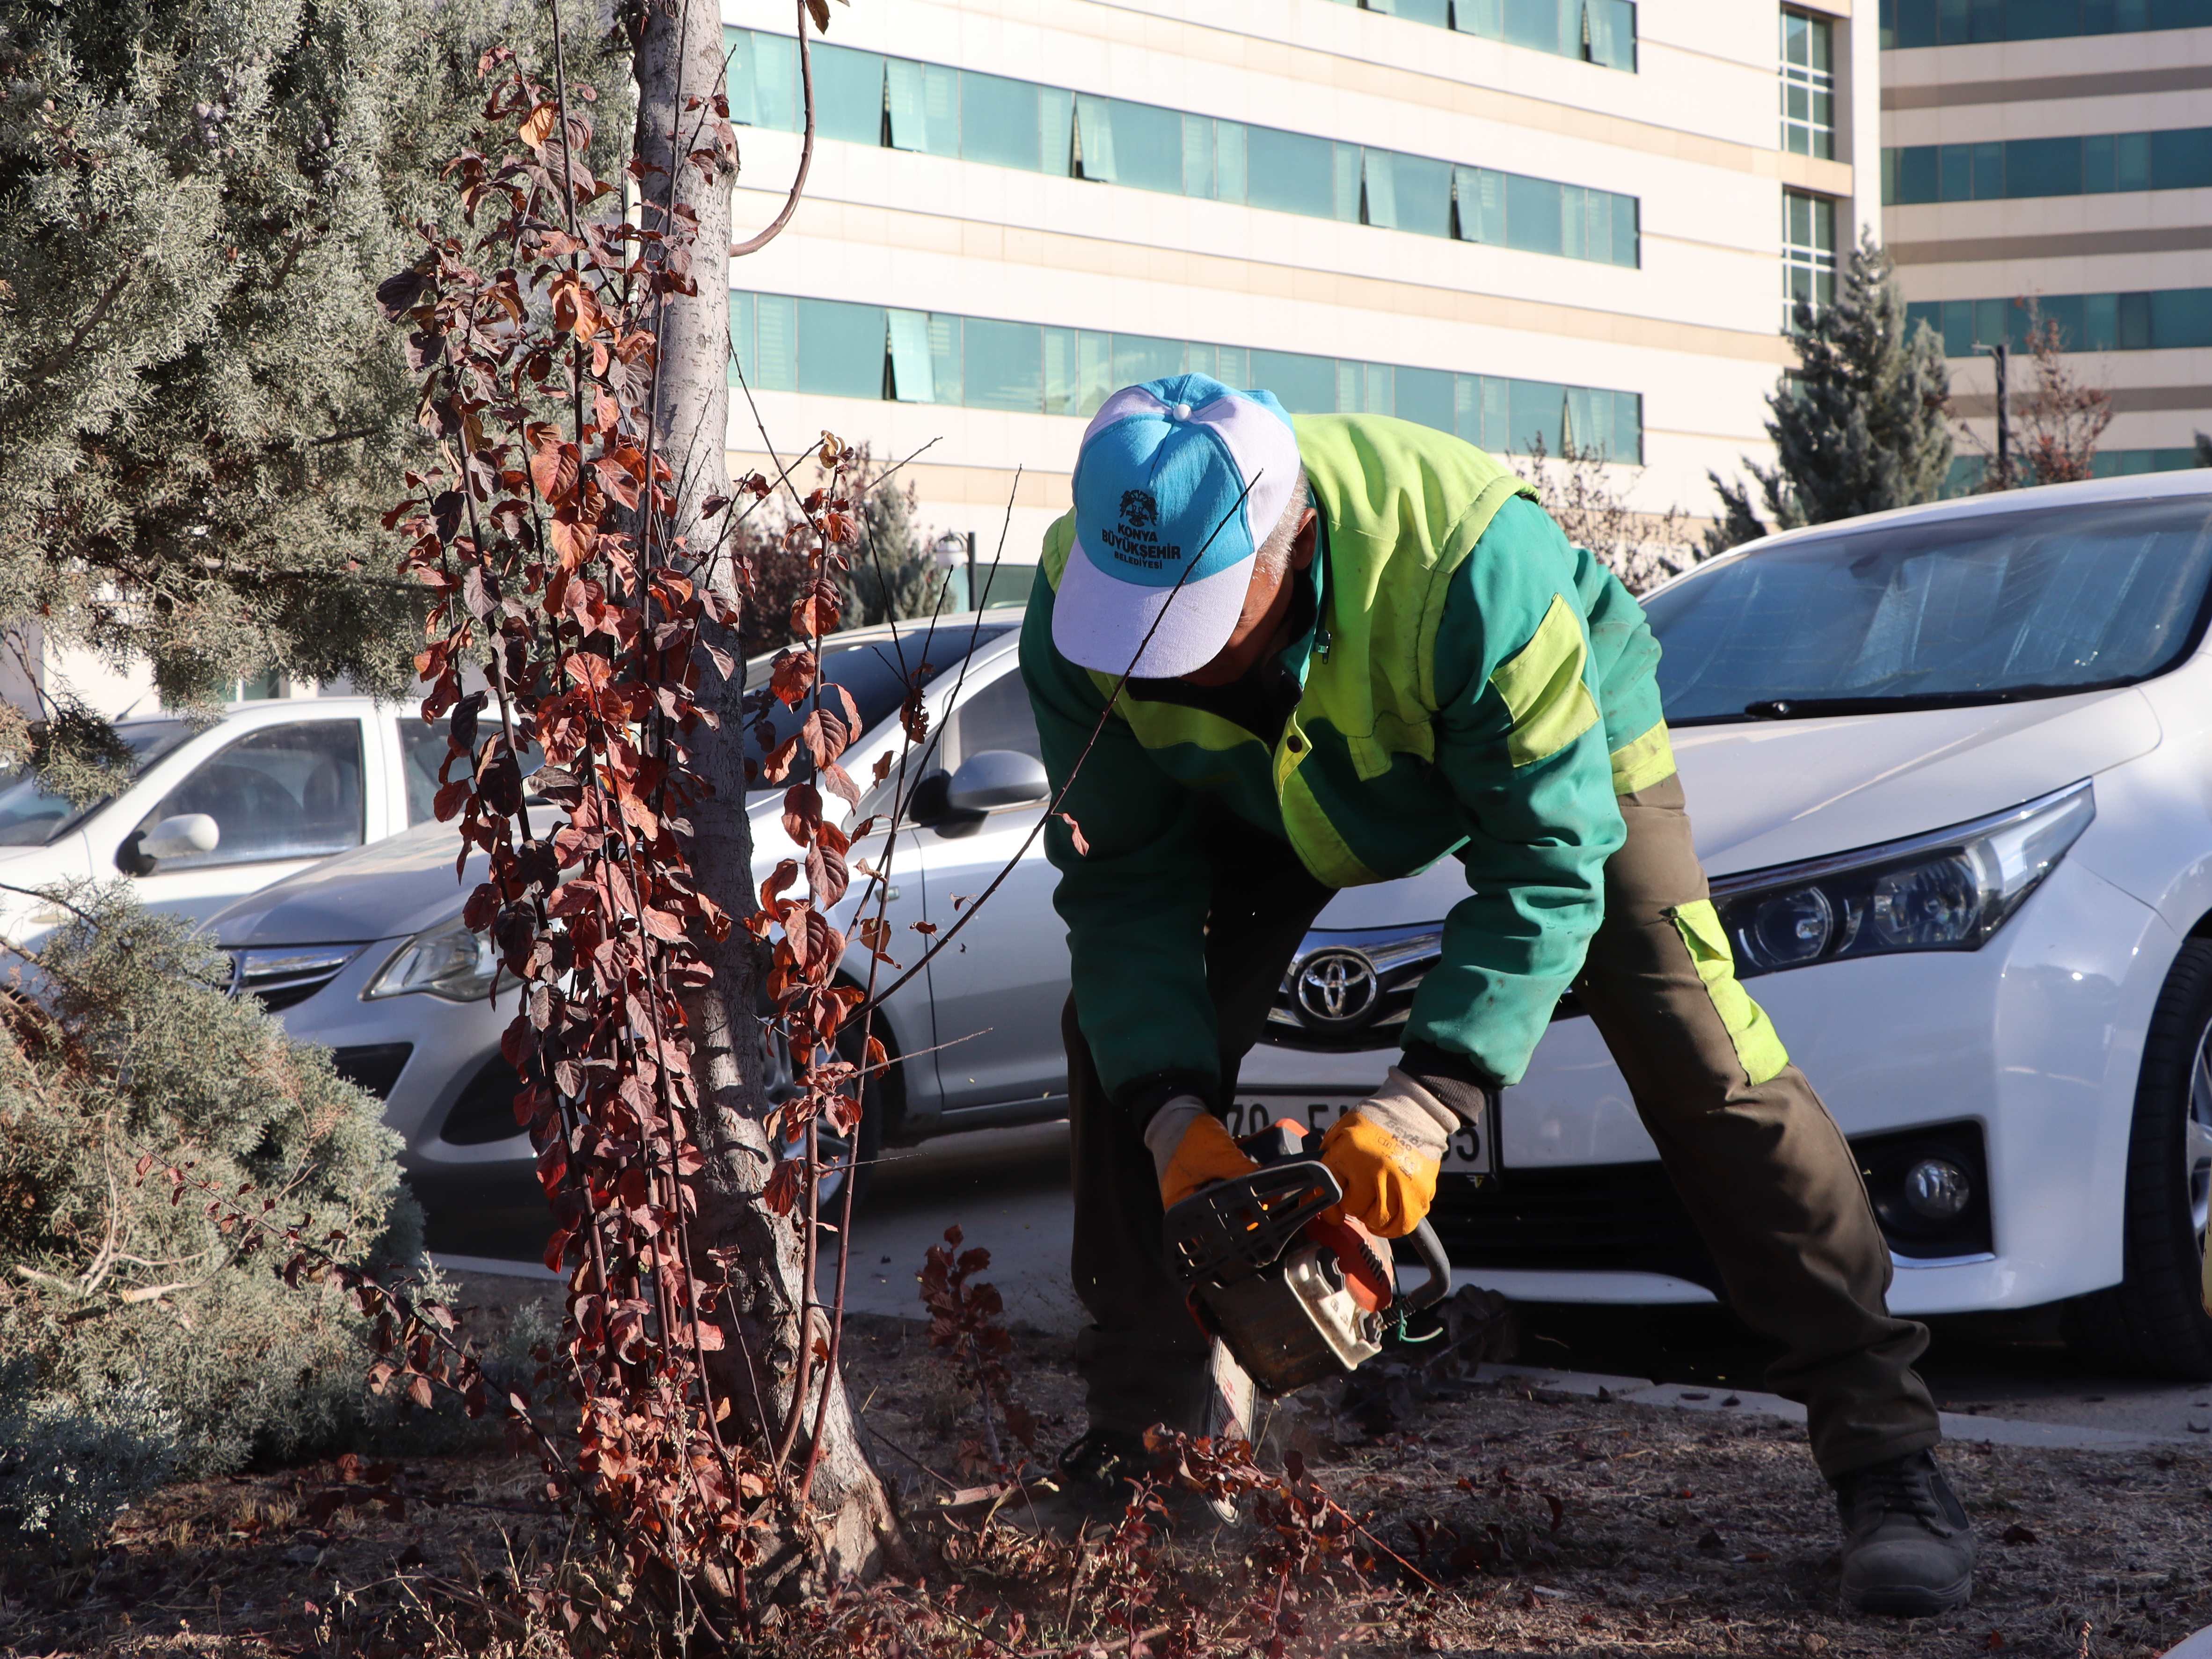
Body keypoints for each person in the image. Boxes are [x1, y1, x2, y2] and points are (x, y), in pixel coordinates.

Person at [1017, 374, 1977, 1617]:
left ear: (1290, 538)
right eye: (1135, 613)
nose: (1158, 651)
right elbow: (1124, 892)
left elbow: (1545, 860)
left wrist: (1426, 1102)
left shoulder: (1471, 562)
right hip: (1265, 801)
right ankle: (1150, 1450)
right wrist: (1171, 1120)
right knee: (1117, 1052)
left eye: (1195, 614)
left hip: (1560, 742)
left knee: (1703, 1053)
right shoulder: (1077, 612)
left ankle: (1885, 1446)